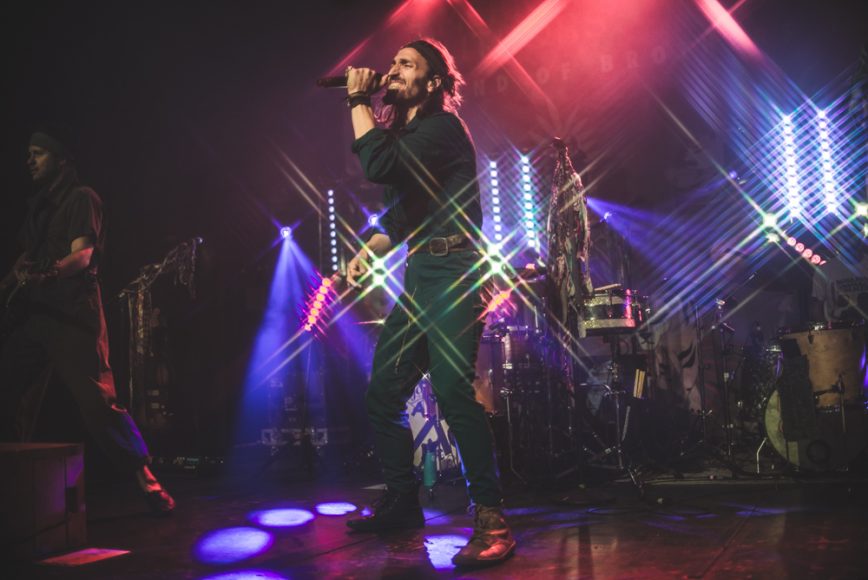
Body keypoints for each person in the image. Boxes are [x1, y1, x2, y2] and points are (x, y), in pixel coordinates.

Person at [341, 39, 515, 567]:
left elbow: (376, 163)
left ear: (433, 81)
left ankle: (492, 518)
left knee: (452, 390)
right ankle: (402, 501)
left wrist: (357, 101)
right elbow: (400, 216)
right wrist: (366, 252)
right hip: (420, 274)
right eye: (393, 62)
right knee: (383, 393)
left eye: (406, 64)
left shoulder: (442, 129)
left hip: (455, 271)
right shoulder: (411, 137)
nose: (393, 69)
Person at [0, 128, 175, 514]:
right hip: (36, 315)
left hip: (73, 315)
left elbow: (82, 256)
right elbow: (24, 261)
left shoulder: (82, 198)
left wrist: (47, 275)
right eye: (29, 153)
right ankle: (13, 486)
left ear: (61, 158)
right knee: (9, 390)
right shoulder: (38, 208)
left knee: (97, 401)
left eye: (38, 153)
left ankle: (146, 479)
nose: (29, 160)